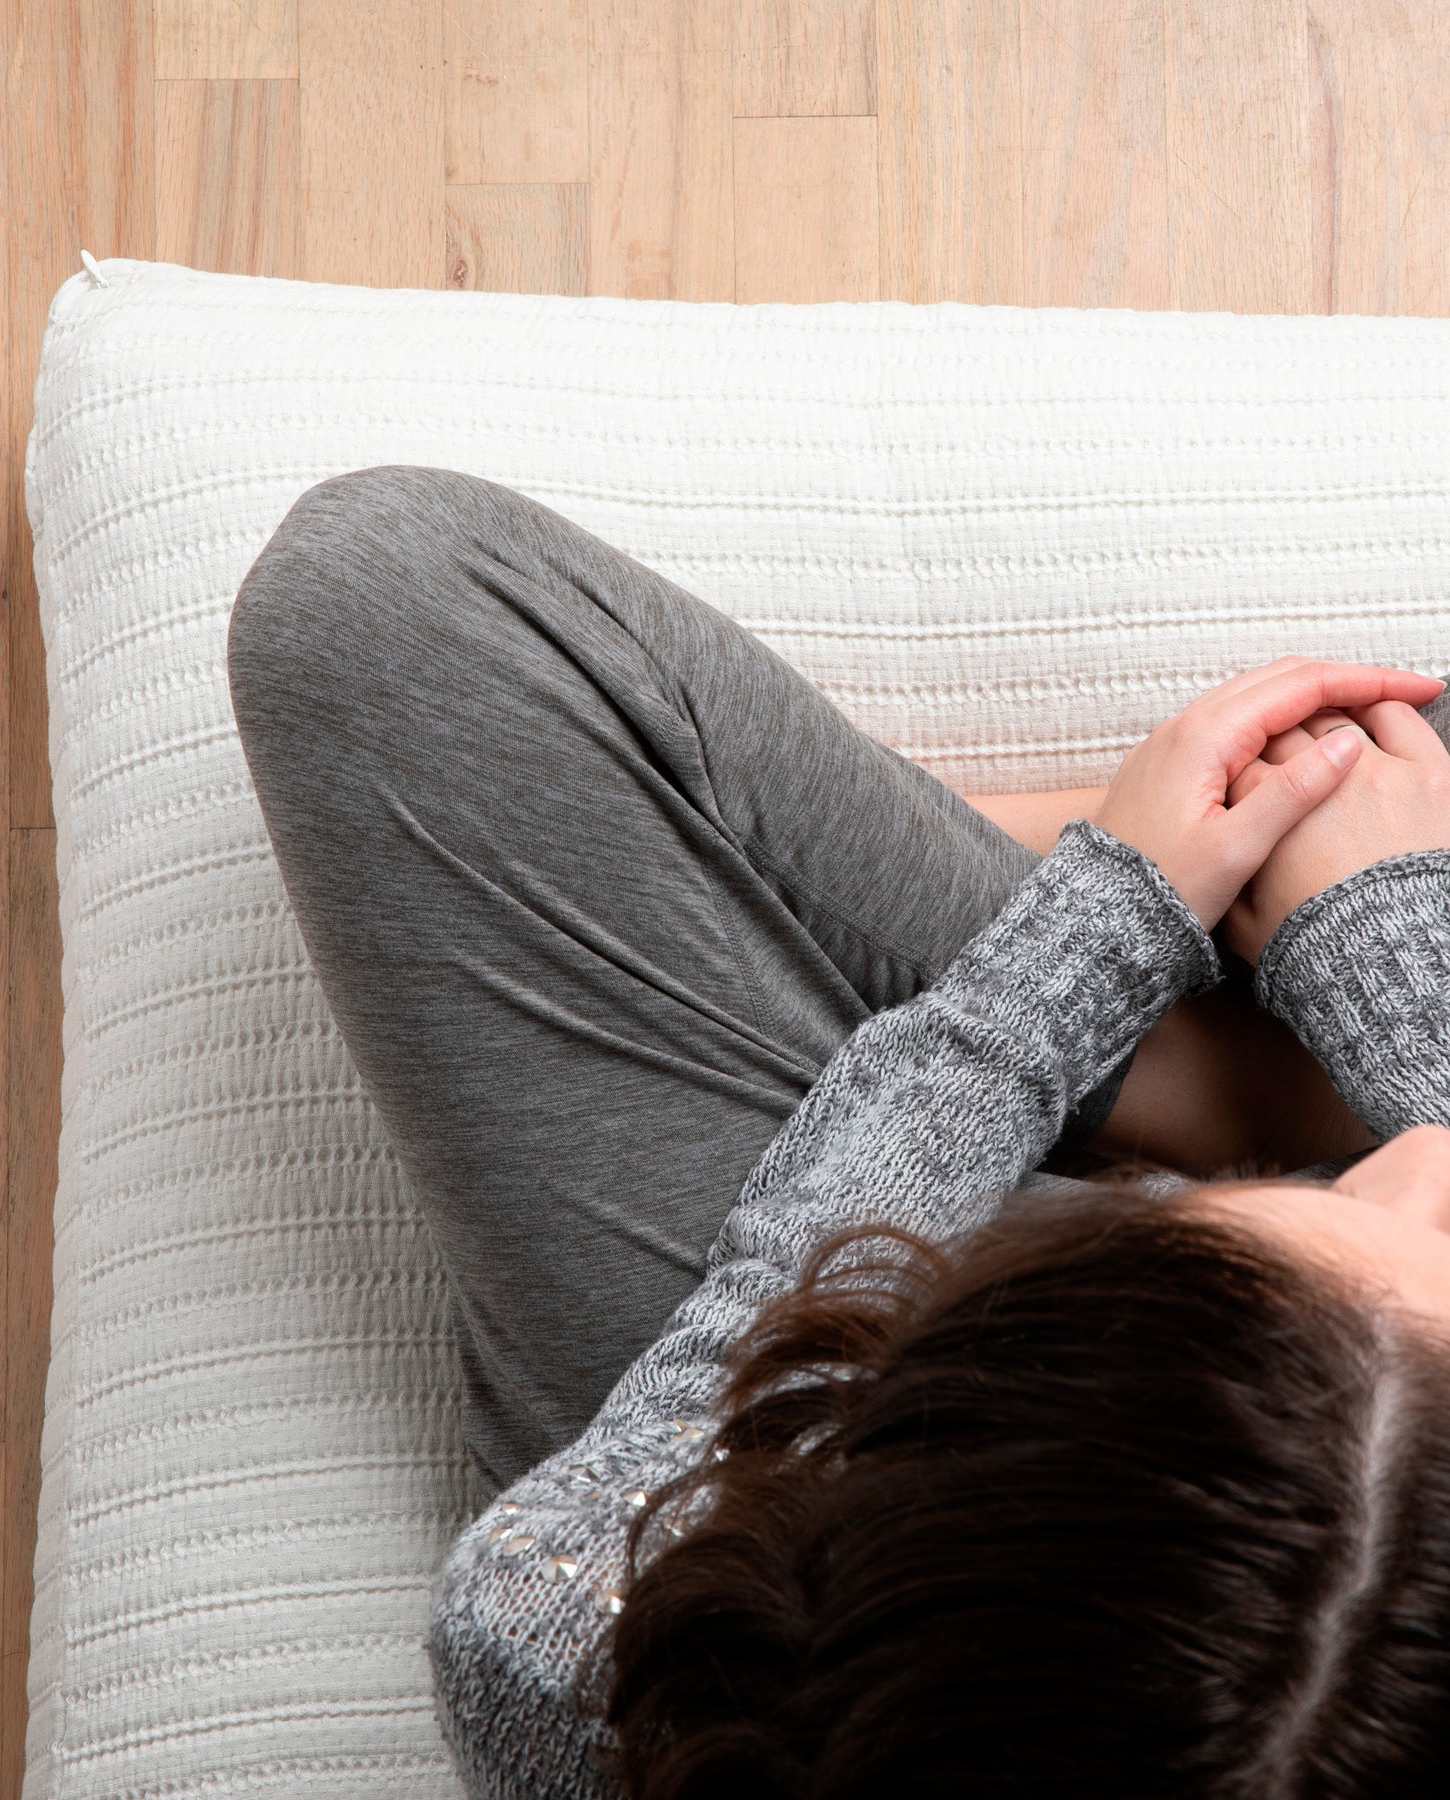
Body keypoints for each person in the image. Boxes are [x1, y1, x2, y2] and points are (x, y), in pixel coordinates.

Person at [226, 464, 1450, 1798]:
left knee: (383, 608)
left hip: (747, 1474)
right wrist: (1405, 1003)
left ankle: (1191, 1037)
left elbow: (770, 1331)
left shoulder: (582, 1653)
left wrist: (1088, 944)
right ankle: (1226, 1044)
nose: (1429, 1164)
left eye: (1331, 1208)